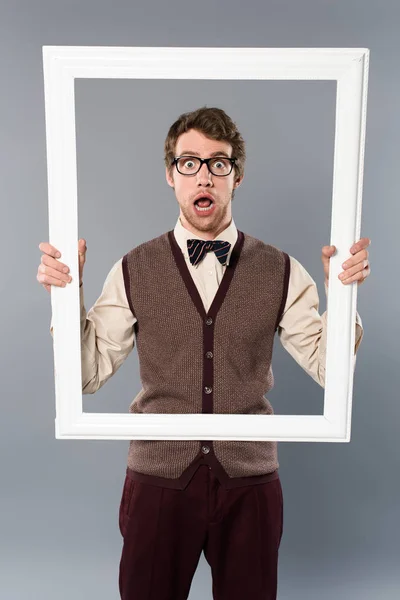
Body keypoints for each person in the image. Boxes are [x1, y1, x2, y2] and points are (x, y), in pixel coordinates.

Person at [37, 106, 371, 600]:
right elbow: (84, 376)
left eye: (219, 163)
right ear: (171, 175)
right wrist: (67, 296)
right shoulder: (134, 268)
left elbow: (331, 370)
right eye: (189, 162)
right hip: (158, 479)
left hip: (250, 483)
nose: (205, 176)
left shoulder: (282, 270)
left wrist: (343, 299)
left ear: (237, 176)